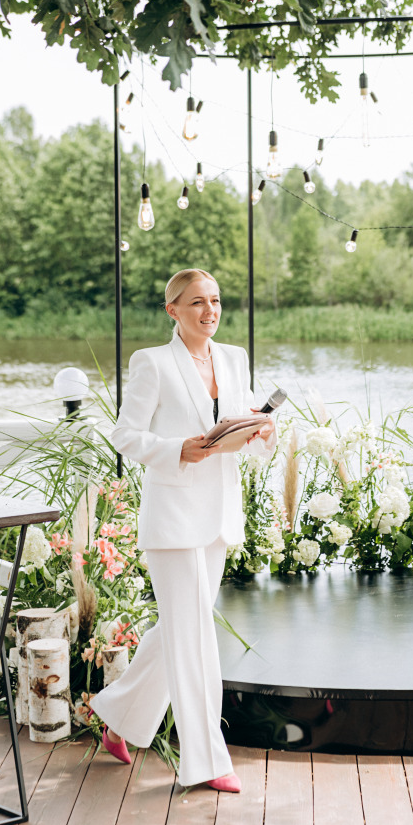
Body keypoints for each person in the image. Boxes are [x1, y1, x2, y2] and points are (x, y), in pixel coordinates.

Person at [92, 268, 276, 792]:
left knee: (179, 626)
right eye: (197, 302)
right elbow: (125, 434)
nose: (209, 310)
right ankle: (207, 760)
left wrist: (263, 428)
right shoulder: (151, 362)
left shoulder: (233, 359)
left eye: (215, 300)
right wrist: (176, 449)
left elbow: (249, 434)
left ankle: (117, 716)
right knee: (194, 633)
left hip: (218, 517)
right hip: (172, 518)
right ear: (173, 309)